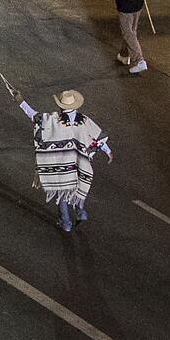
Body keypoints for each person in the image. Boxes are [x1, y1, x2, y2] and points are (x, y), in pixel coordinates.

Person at [15, 87, 113, 232]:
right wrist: (108, 151)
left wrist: (21, 101)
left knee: (62, 192)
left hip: (63, 163)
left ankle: (66, 222)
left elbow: (34, 116)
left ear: (60, 106)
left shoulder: (54, 120)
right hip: (79, 163)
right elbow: (97, 138)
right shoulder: (84, 120)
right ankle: (81, 212)